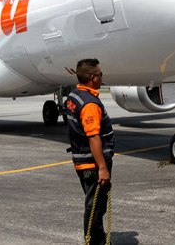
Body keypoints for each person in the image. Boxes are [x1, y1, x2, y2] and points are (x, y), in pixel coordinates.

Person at [66, 58, 115, 245]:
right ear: (93, 77)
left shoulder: (75, 96)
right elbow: (93, 136)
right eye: (100, 74)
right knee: (95, 207)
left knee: (94, 205)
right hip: (92, 164)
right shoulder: (89, 104)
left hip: (82, 160)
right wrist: (102, 167)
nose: (102, 77)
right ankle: (94, 242)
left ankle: (97, 240)